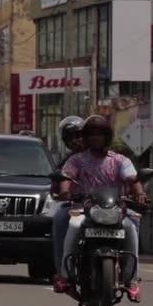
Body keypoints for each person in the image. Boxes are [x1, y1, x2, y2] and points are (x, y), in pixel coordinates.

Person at [54, 115, 147, 302]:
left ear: (107, 136)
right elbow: (66, 176)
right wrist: (65, 191)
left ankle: (132, 279)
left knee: (131, 227)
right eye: (92, 134)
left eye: (100, 134)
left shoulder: (120, 160)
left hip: (115, 210)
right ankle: (64, 275)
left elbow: (131, 178)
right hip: (83, 209)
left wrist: (139, 192)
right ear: (86, 137)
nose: (96, 138)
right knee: (73, 225)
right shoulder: (76, 160)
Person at [51, 116, 86, 278]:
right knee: (60, 219)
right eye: (70, 138)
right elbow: (57, 185)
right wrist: (62, 192)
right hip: (77, 207)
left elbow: (128, 179)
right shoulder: (68, 162)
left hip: (107, 208)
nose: (76, 141)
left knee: (130, 223)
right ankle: (62, 271)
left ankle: (129, 275)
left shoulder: (111, 157)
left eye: (79, 136)